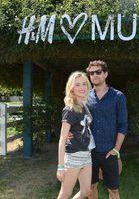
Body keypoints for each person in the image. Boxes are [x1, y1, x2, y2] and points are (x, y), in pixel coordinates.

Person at [86, 60, 128, 199]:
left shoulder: (118, 96)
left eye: (98, 72)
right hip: (89, 152)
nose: (94, 75)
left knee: (113, 190)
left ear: (106, 74)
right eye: (92, 73)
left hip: (110, 152)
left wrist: (116, 149)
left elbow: (123, 125)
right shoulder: (85, 97)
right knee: (91, 187)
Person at [56, 71, 95, 199]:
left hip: (86, 154)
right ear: (71, 88)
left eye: (84, 84)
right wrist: (60, 166)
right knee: (65, 194)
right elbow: (62, 138)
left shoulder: (84, 105)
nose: (82, 87)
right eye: (77, 84)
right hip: (73, 155)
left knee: (86, 192)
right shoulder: (70, 109)